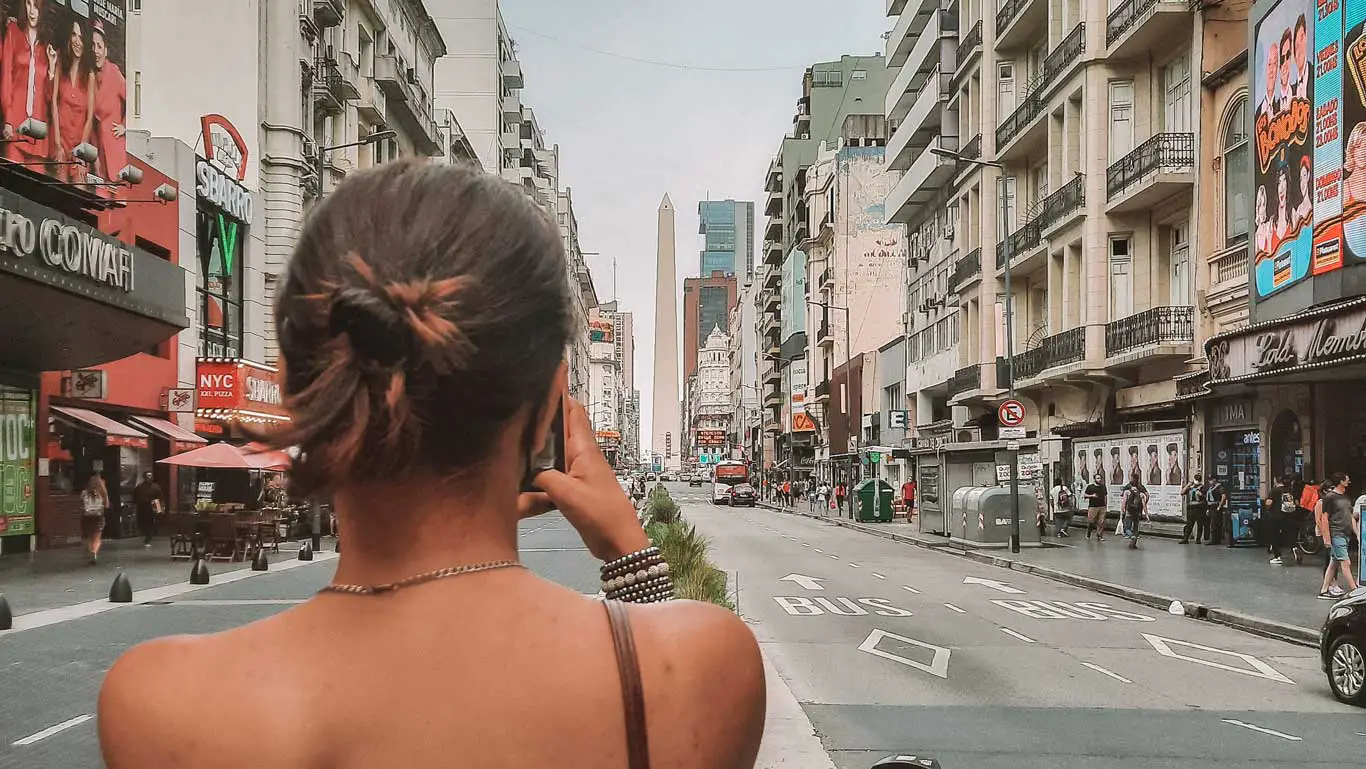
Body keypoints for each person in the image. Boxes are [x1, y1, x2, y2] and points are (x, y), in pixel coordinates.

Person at [97, 162, 766, 768]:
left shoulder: (155, 702)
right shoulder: (701, 669)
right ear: (551, 409)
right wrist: (631, 555)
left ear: (298, 385)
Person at [2, 0, 55, 165]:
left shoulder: (46, 44)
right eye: (29, 4)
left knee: (38, 187)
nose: (32, 11)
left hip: (38, 132)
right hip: (16, 125)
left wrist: (51, 69)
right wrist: (8, 120)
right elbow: (6, 80)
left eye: (36, 7)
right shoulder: (14, 32)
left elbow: (48, 97)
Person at [51, 18, 96, 183]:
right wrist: (57, 143)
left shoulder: (89, 76)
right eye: (74, 35)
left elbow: (90, 116)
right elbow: (54, 103)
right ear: (69, 38)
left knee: (79, 187)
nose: (78, 41)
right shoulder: (60, 65)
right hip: (60, 141)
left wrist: (82, 150)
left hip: (79, 144)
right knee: (60, 190)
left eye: (81, 37)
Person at [90, 20, 126, 183]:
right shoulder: (88, 74)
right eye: (93, 46)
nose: (96, 51)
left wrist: (125, 126)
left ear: (106, 50)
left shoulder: (114, 73)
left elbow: (135, 102)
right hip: (96, 151)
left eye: (99, 46)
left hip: (114, 149)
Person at [1316, 472, 1361, 599]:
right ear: (1341, 481)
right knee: (1345, 562)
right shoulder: (1330, 497)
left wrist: (1356, 532)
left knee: (1334, 562)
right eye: (1347, 479)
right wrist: (1326, 537)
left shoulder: (1345, 497)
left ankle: (1324, 590)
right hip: (1337, 533)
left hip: (1345, 533)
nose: (1349, 481)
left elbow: (1350, 516)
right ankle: (1355, 591)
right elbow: (1324, 518)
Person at [1265, 474, 1298, 565]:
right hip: (1289, 515)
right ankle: (1294, 547)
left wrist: (1268, 508)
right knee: (1290, 533)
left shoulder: (1274, 490)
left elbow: (1269, 503)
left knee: (1274, 535)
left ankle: (1277, 556)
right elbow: (1296, 503)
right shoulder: (1290, 490)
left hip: (1276, 516)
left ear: (1275, 480)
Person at [81, 472, 109, 565]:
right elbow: (107, 505)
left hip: (87, 516)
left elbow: (81, 505)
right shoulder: (102, 492)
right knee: (97, 537)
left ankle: (90, 552)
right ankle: (94, 552)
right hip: (98, 516)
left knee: (89, 536)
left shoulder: (84, 492)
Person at [132, 471, 163, 548]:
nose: (149, 477)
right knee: (144, 521)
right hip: (142, 506)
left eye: (150, 476)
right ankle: (146, 534)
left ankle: (149, 536)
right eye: (148, 476)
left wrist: (159, 509)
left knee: (151, 521)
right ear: (145, 477)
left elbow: (159, 497)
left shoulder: (156, 487)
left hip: (153, 505)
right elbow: (135, 497)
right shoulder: (140, 487)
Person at [1120, 472, 1150, 550]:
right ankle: (1133, 544)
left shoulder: (1127, 490)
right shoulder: (1141, 491)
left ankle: (1131, 537)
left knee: (1127, 528)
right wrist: (1146, 515)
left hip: (1129, 511)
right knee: (1136, 528)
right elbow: (1146, 499)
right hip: (1138, 512)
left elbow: (1123, 503)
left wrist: (1122, 511)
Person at [1179, 474, 1207, 544]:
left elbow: (1206, 497)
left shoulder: (1203, 487)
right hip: (1191, 507)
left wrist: (1201, 495)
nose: (1196, 481)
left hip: (1199, 507)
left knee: (1200, 524)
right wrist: (1187, 485)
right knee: (1189, 524)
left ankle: (1198, 539)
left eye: (1198, 480)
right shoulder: (1190, 487)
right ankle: (1185, 539)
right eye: (1196, 479)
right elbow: (1182, 493)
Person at [1084, 473, 1108, 541]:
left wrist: (1106, 505)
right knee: (1091, 521)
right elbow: (1085, 495)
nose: (1099, 480)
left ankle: (1099, 535)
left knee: (1101, 522)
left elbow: (1105, 496)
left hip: (1102, 506)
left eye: (1100, 478)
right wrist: (1092, 496)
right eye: (1097, 478)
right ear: (1094, 479)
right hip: (1093, 507)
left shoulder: (1103, 487)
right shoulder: (1090, 487)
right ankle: (1089, 530)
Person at [1206, 478, 1229, 546]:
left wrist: (1219, 506)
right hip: (1211, 506)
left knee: (1214, 523)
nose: (1209, 482)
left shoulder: (1220, 488)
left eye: (1211, 480)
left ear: (1214, 480)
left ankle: (1214, 540)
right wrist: (1208, 509)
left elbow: (1223, 497)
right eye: (1209, 480)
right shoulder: (1211, 488)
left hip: (1216, 506)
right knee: (1214, 523)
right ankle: (1216, 539)